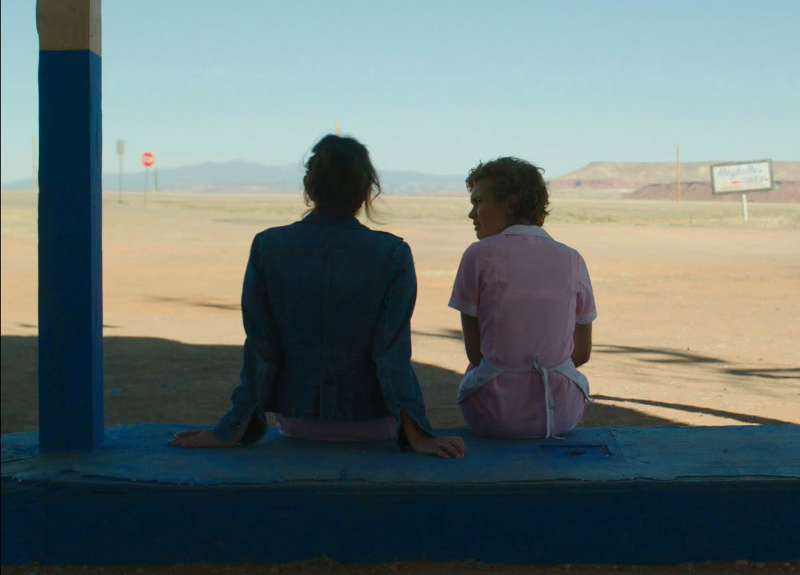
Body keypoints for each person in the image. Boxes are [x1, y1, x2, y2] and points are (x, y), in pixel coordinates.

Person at [170, 134, 465, 458]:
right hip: (372, 422)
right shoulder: (392, 253)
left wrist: (229, 430)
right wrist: (418, 435)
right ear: (366, 192)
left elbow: (261, 349)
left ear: (309, 187)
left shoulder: (267, 246)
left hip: (297, 421)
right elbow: (390, 354)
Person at [448, 157, 596, 438]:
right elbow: (581, 354)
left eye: (478, 202)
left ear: (510, 202)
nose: (471, 214)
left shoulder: (478, 254)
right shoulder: (572, 258)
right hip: (560, 415)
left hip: (492, 415)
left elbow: (476, 354)